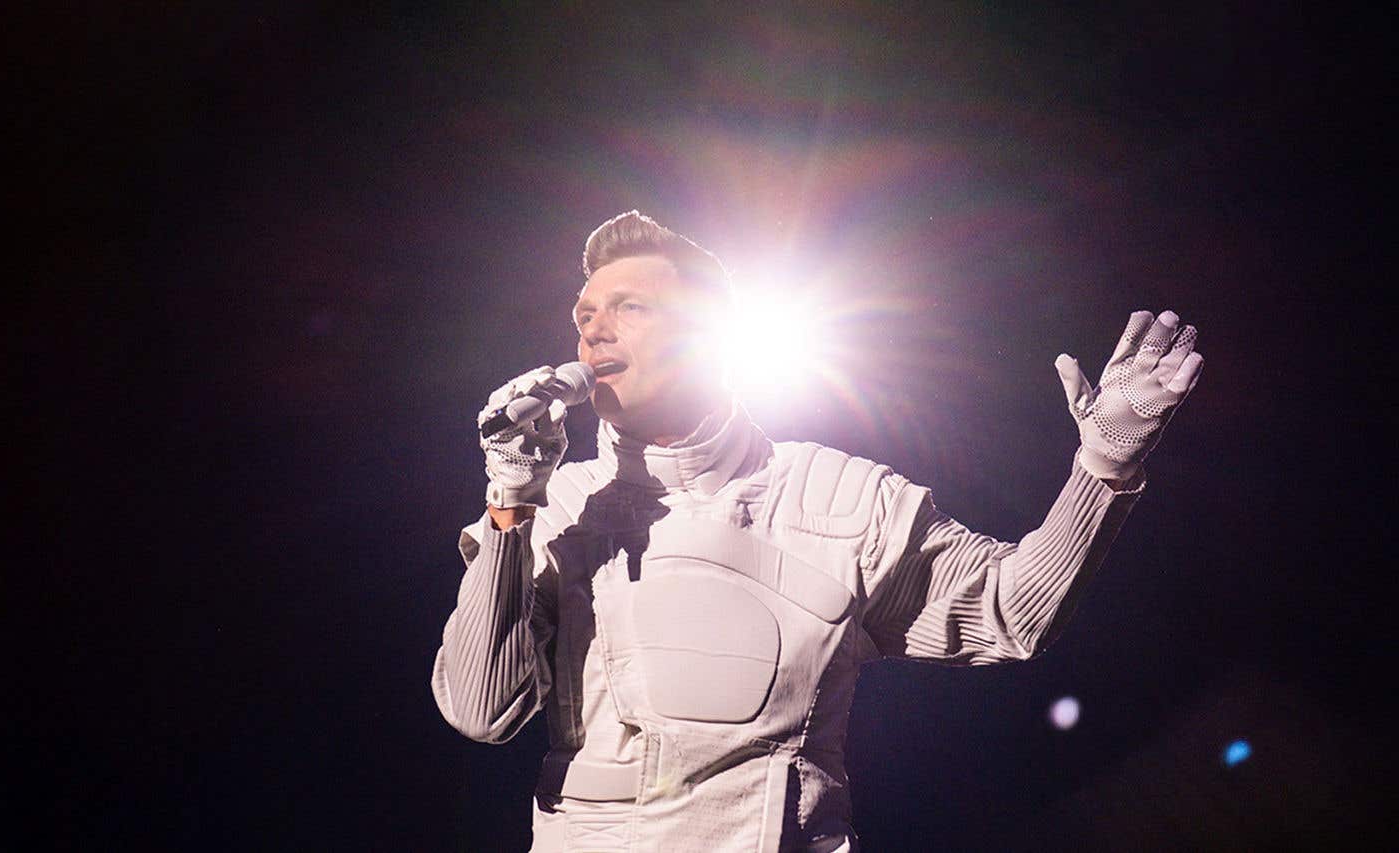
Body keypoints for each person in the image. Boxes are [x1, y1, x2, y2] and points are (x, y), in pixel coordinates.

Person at [432, 211, 1203, 852]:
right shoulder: (557, 506)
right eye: (585, 316)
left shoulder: (841, 497)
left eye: (629, 308)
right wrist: (511, 501)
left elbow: (1012, 610)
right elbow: (480, 708)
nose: (594, 333)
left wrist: (1104, 462)